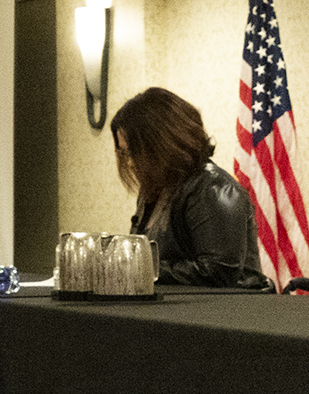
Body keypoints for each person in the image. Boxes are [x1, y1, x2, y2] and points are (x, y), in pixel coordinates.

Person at [110, 87, 271, 289]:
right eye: (125, 154)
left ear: (161, 143)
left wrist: (142, 268)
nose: (131, 163)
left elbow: (218, 273)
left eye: (134, 152)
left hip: (225, 315)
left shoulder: (213, 188)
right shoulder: (154, 189)